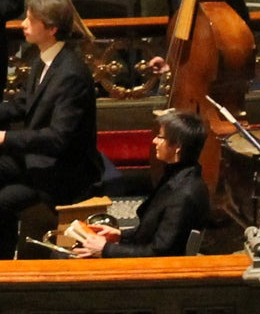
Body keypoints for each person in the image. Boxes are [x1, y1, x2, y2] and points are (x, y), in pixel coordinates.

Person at [0, 0, 101, 259]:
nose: (23, 24)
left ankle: (0, 262)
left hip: (64, 171)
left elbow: (58, 139)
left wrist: (4, 137)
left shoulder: (71, 75)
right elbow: (21, 105)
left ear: (52, 28)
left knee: (0, 199)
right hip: (36, 159)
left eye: (31, 20)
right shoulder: (44, 59)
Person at [75, 110, 214, 259]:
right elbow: (152, 232)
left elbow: (159, 253)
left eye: (160, 137)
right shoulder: (178, 176)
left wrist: (106, 249)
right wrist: (120, 235)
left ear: (177, 146)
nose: (154, 141)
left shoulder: (184, 195)